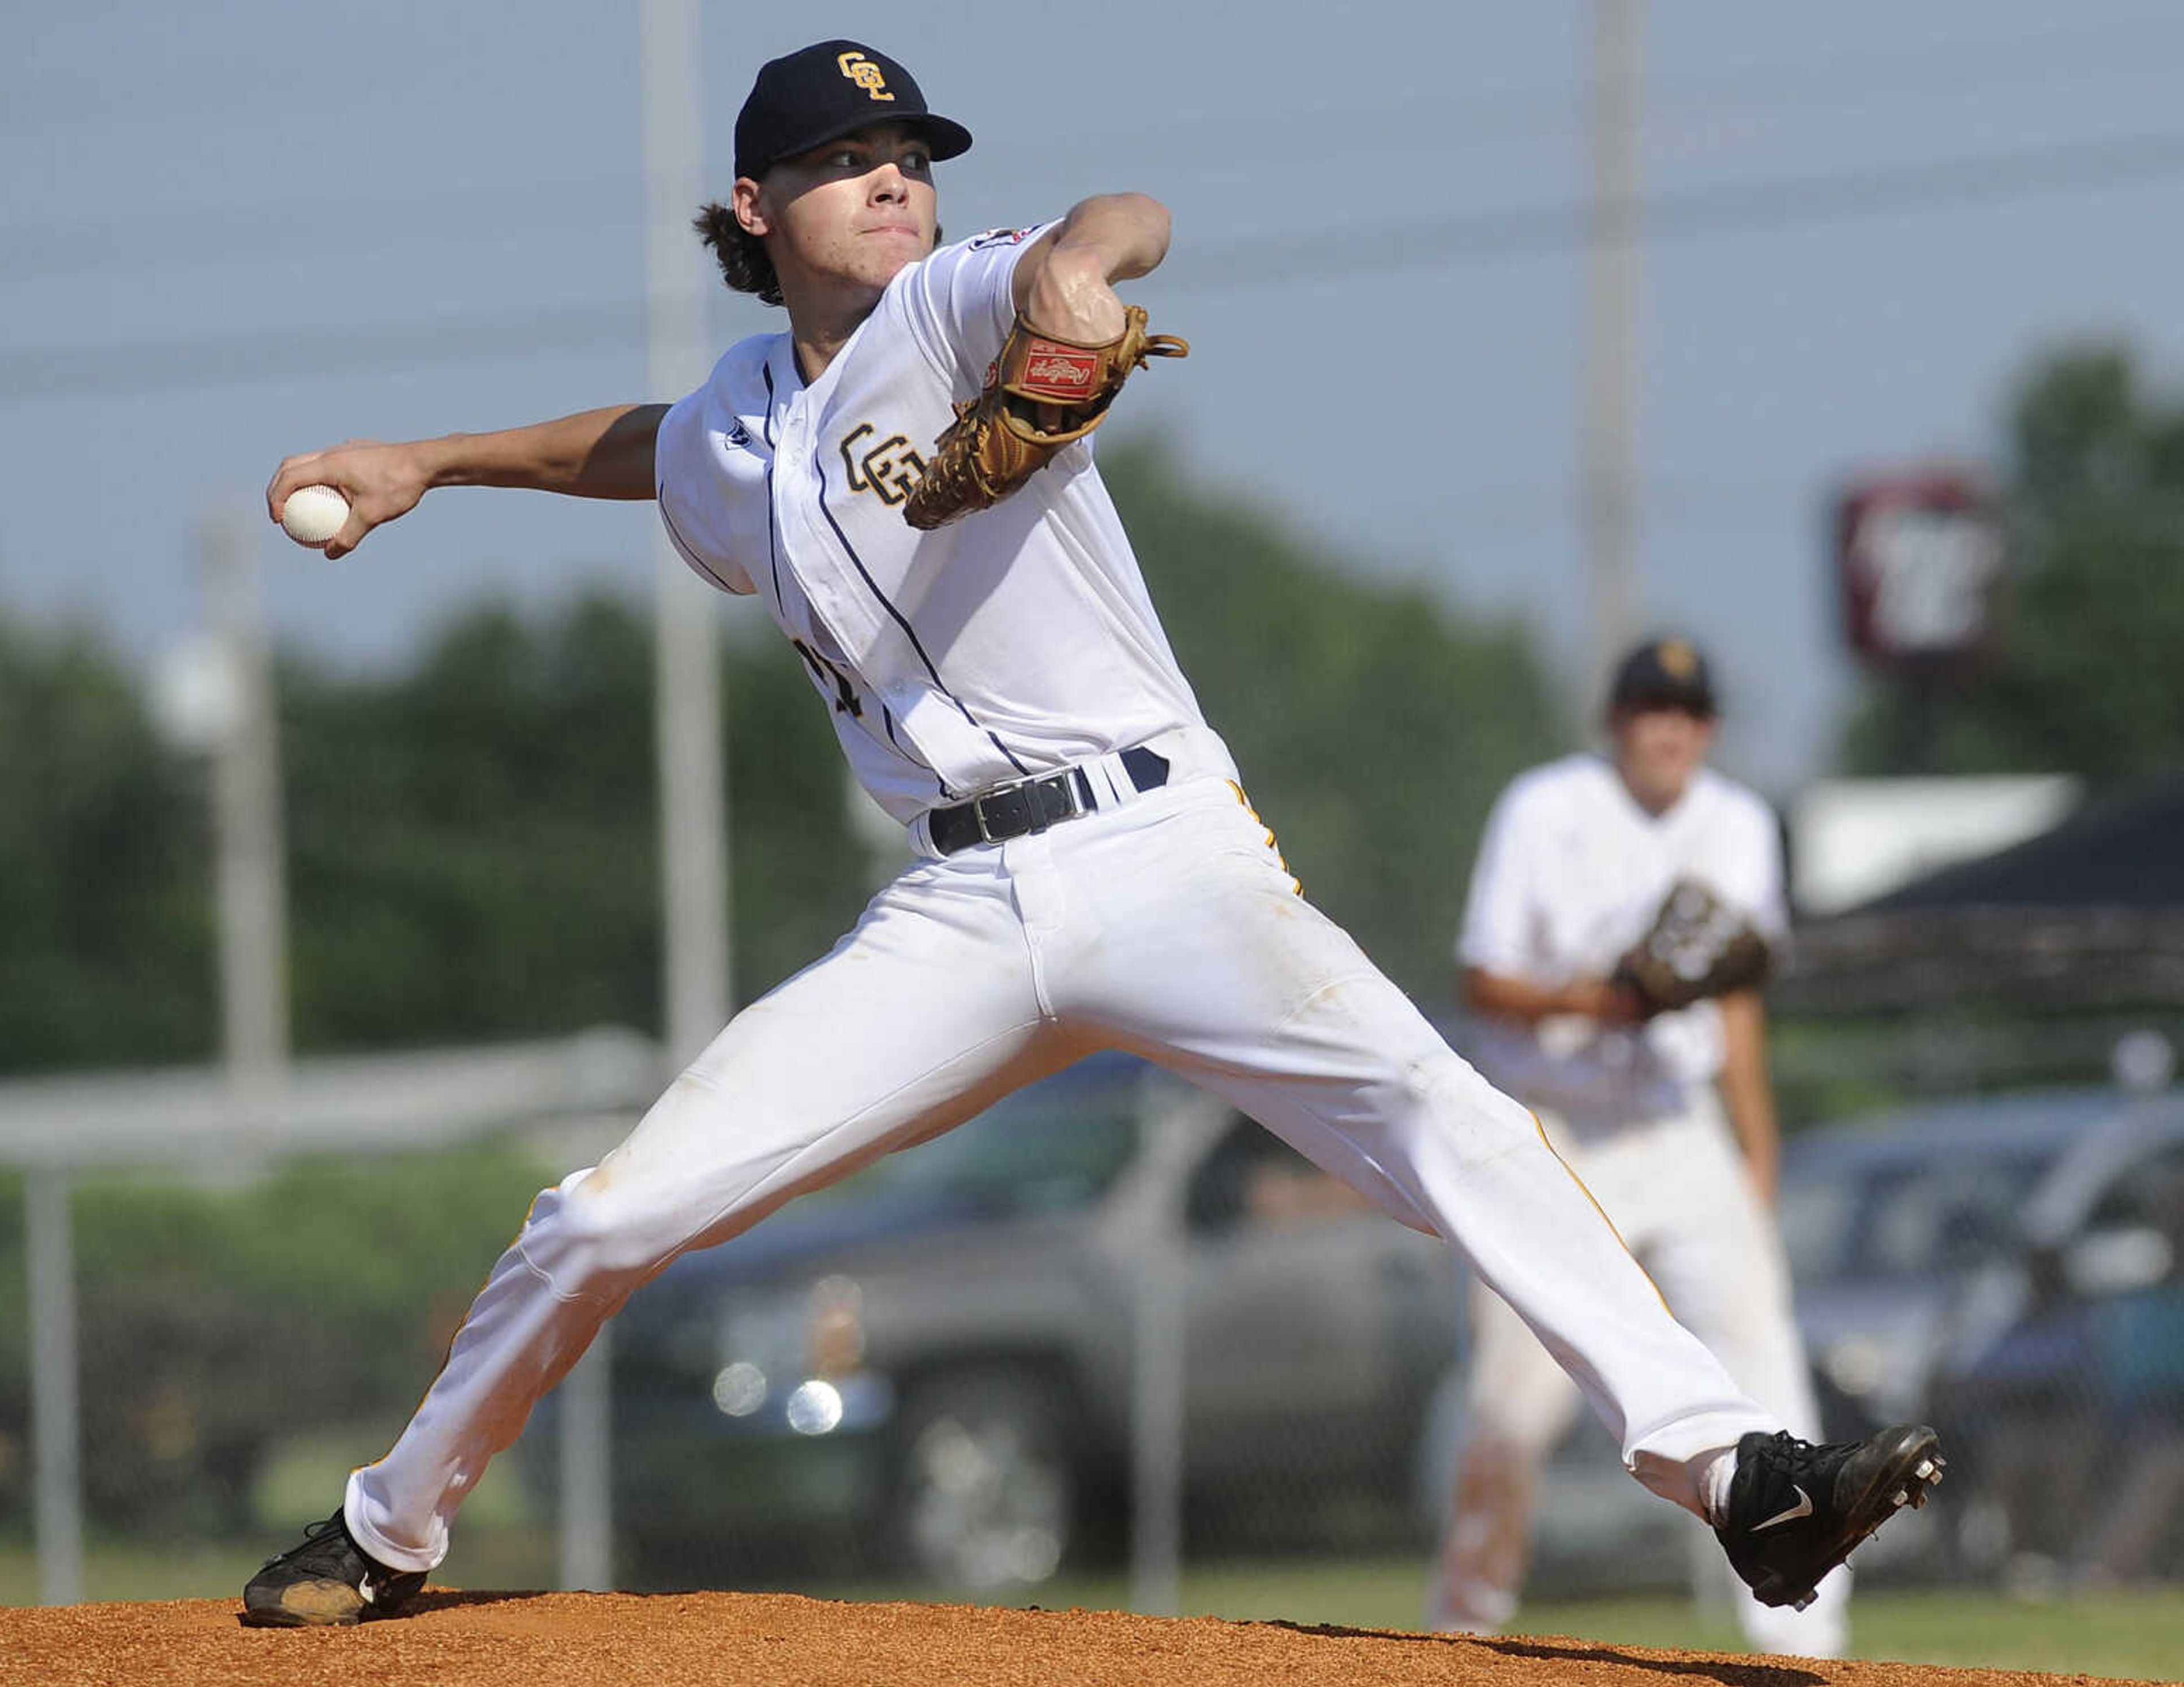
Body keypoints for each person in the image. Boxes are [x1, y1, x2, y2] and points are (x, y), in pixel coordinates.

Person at [240, 41, 1940, 1629]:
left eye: (905, 150)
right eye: (843, 159)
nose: (890, 179)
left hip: (1163, 852)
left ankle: (1741, 1478)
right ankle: (391, 1527)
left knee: (1451, 1118)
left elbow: (1122, 222)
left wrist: (1072, 283)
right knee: (609, 1214)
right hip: (958, 907)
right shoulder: (730, 434)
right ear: (755, 212)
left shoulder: (965, 300)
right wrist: (431, 461)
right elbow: (637, 445)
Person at [1424, 636, 1850, 1655]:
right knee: (1509, 1414)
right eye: (1652, 707)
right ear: (1616, 720)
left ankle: (1804, 1646)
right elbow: (1481, 978)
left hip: (1674, 1120)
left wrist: (1756, 1150)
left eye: (1690, 712)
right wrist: (1601, 1000)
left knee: (1764, 1370)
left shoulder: (1739, 823)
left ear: (1708, 729)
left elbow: (1737, 999)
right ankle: (1467, 1629)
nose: (1671, 727)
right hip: (1554, 1131)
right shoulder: (1545, 808)